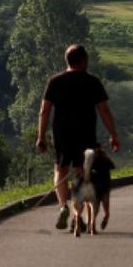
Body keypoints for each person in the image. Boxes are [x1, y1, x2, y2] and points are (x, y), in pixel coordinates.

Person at [35, 44, 119, 231]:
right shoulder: (92, 82)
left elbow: (44, 111)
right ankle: (77, 214)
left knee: (60, 169)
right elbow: (104, 110)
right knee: (81, 172)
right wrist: (114, 135)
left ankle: (64, 205)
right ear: (83, 61)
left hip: (62, 133)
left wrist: (40, 136)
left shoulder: (55, 81)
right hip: (85, 132)